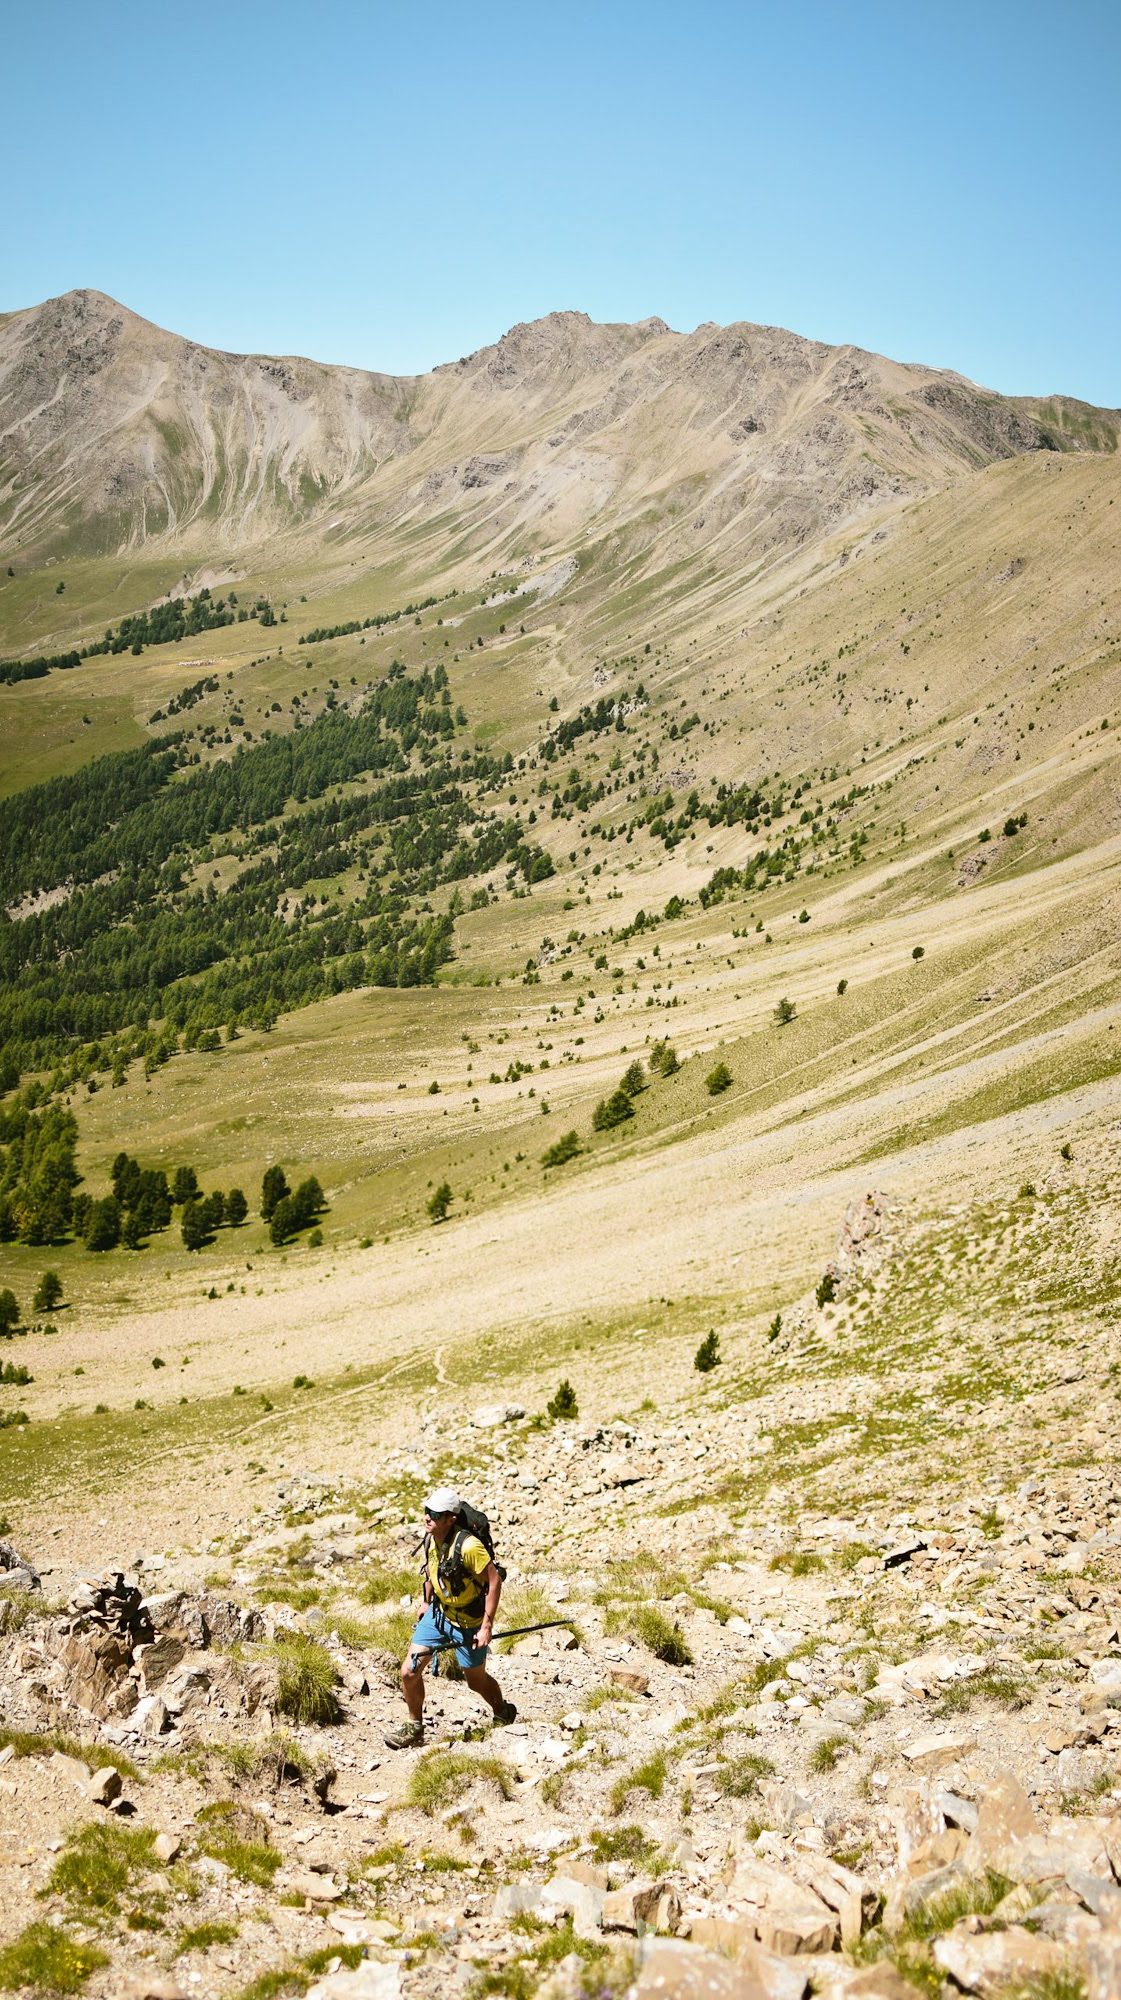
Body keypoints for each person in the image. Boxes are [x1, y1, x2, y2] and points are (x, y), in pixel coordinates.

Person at [384, 1486, 517, 1749]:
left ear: (451, 1518)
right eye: (426, 1511)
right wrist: (426, 1601)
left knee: (475, 1682)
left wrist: (486, 1626)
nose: (427, 1517)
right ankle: (414, 1726)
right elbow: (433, 1571)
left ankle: (503, 1710)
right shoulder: (431, 1537)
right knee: (409, 1672)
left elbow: (494, 1581)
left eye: (434, 1513)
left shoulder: (469, 1547)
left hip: (469, 1622)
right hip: (438, 1614)